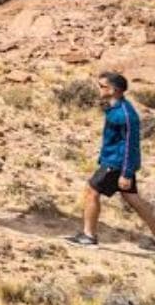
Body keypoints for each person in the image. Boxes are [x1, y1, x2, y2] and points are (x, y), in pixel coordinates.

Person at [66, 72, 155, 250]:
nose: (99, 89)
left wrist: (126, 173)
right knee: (133, 199)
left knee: (92, 191)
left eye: (102, 86)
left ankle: (89, 236)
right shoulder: (115, 107)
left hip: (117, 163)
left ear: (114, 90)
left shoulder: (126, 114)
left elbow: (131, 145)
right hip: (114, 161)